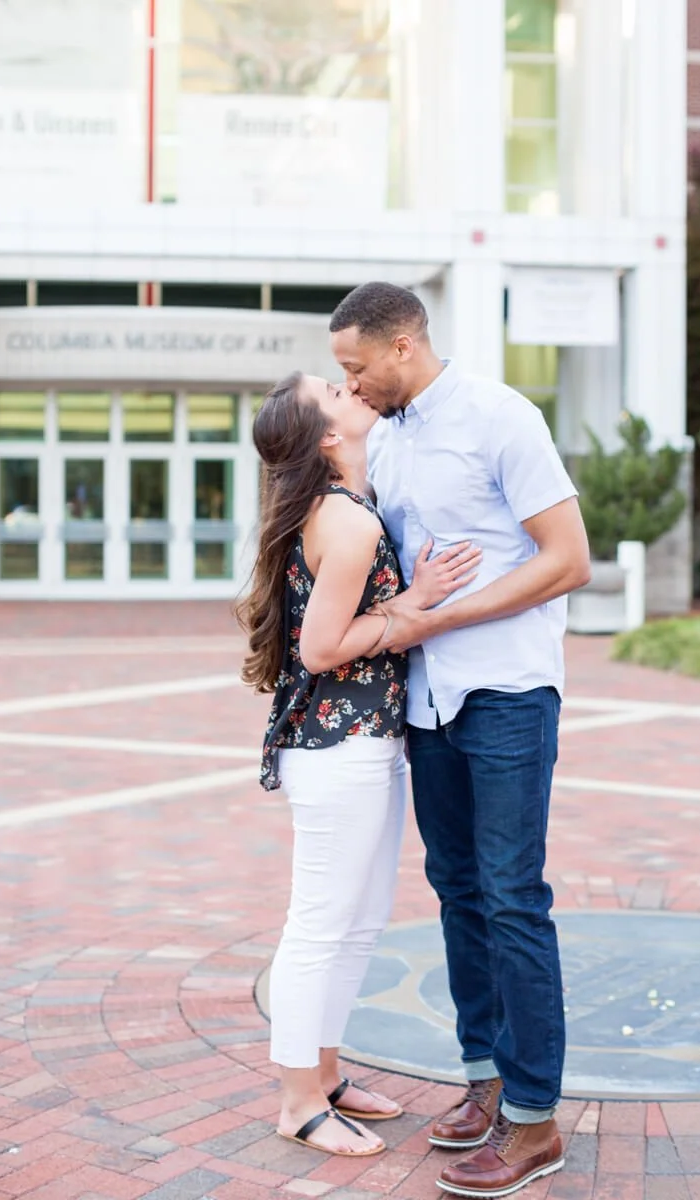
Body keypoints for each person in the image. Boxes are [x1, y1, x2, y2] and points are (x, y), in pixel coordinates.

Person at [329, 282, 591, 1197]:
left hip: (510, 691)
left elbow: (567, 559)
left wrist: (432, 622)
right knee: (458, 892)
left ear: (403, 346)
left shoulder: (500, 416)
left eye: (357, 367)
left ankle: (535, 1121)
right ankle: (485, 1078)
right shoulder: (388, 439)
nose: (351, 385)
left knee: (514, 896)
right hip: (430, 702)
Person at [237, 370, 481, 1159]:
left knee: (358, 922)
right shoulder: (346, 523)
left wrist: (408, 606)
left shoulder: (342, 509)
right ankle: (298, 1101)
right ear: (328, 438)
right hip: (339, 751)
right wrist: (412, 613)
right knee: (321, 926)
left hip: (358, 745)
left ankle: (326, 1074)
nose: (351, 386)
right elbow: (321, 649)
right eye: (332, 392)